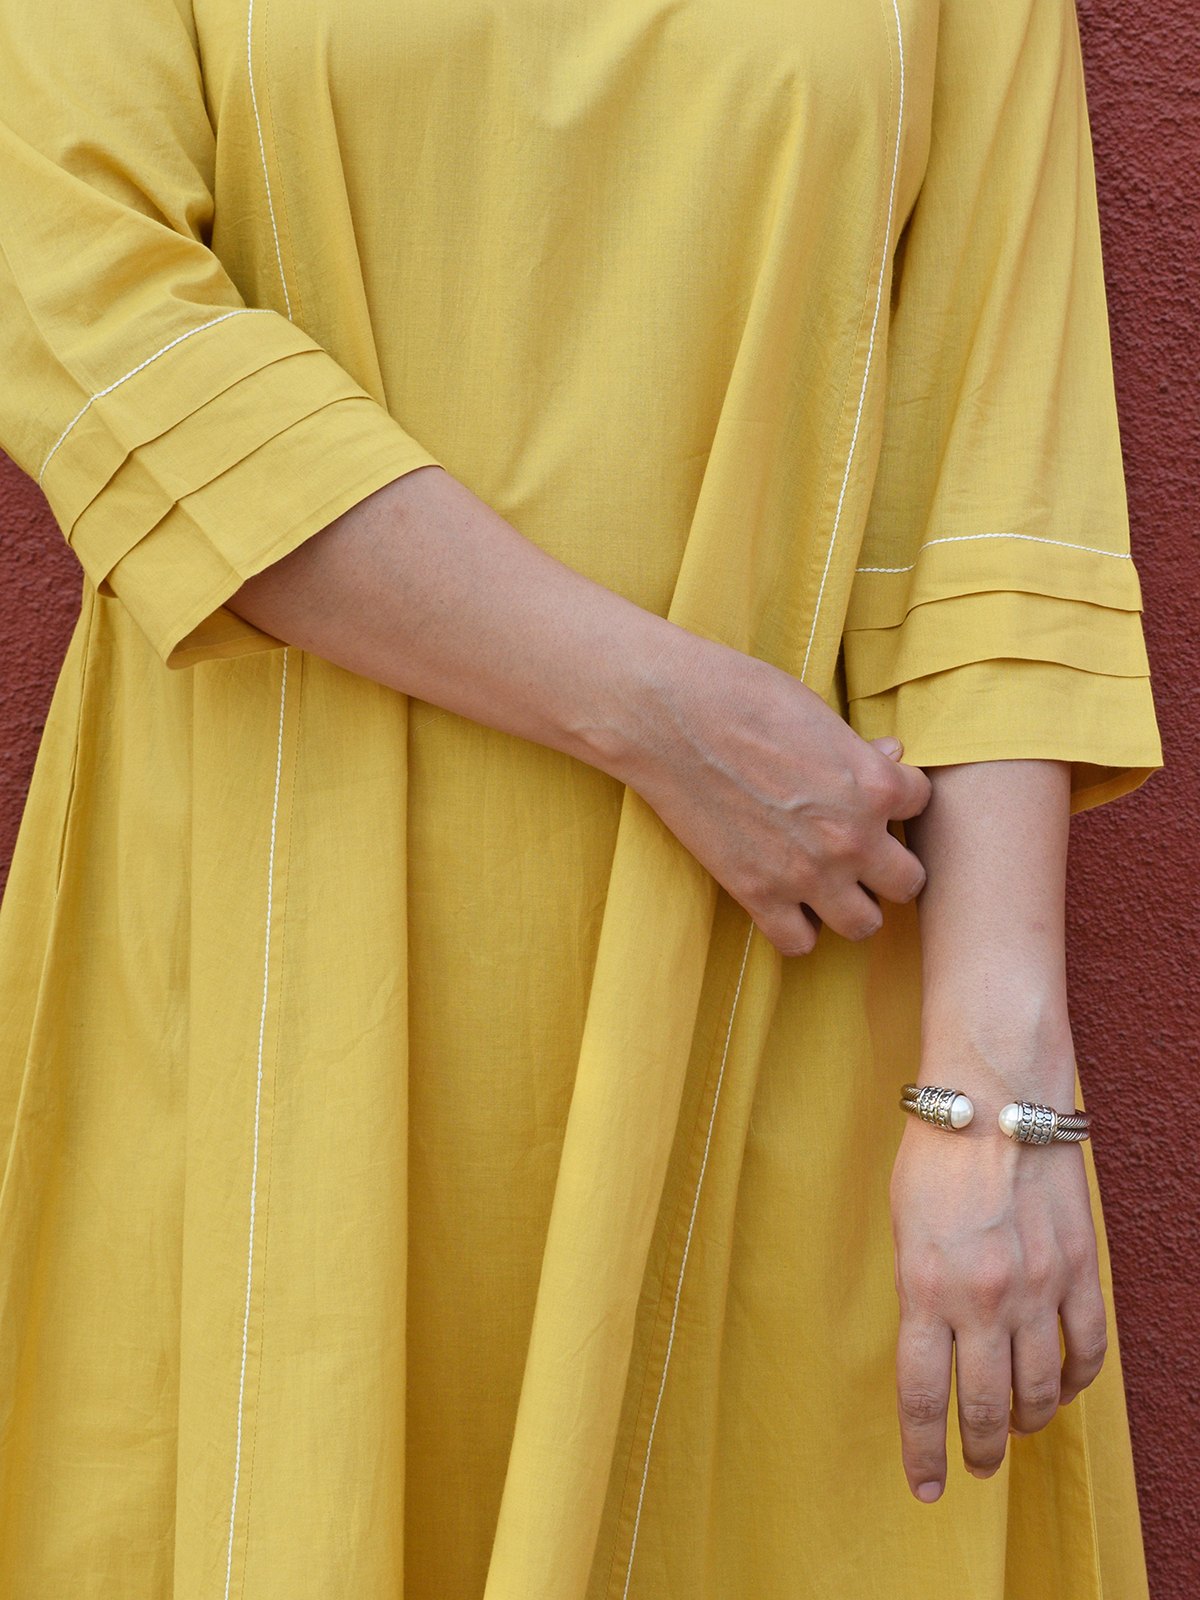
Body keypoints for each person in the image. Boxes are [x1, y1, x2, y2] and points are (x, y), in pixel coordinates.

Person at [0, 0, 1163, 1593]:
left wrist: (1000, 1095)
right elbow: (93, 320)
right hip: (277, 972)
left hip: (789, 980)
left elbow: (1002, 480)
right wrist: (660, 716)